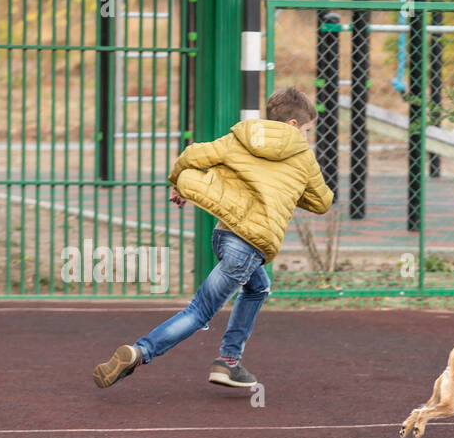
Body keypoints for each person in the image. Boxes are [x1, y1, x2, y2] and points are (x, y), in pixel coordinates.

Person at [93, 85, 333, 389]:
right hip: (250, 246)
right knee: (199, 311)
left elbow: (193, 154)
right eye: (308, 130)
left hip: (224, 236)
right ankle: (140, 351)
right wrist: (289, 188)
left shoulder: (240, 137)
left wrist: (176, 184)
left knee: (258, 288)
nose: (307, 137)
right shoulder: (303, 158)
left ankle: (228, 361)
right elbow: (322, 202)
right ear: (293, 125)